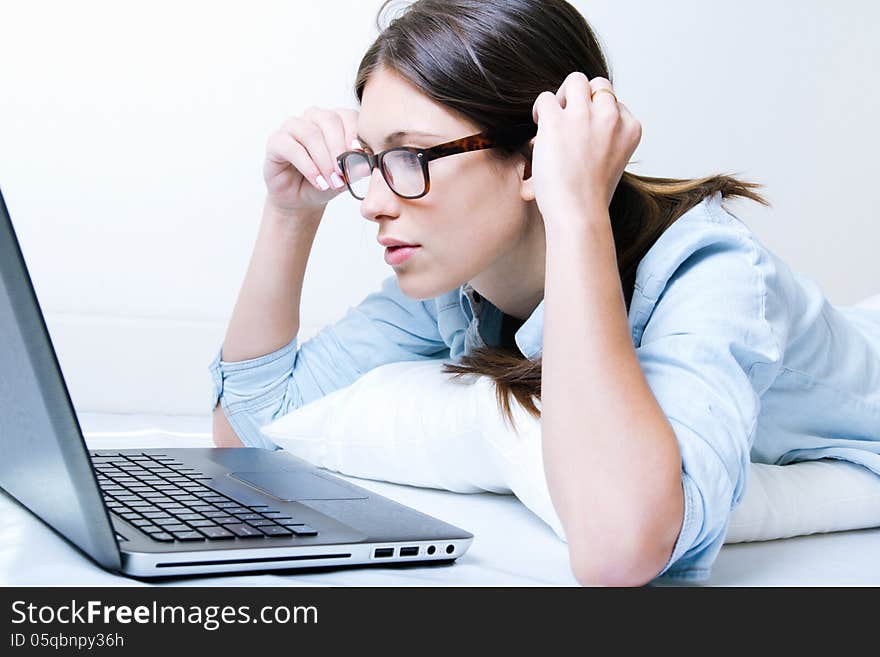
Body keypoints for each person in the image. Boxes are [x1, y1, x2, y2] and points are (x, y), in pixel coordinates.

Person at [208, 0, 880, 586]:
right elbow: (248, 427)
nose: (373, 203)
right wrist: (290, 215)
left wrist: (576, 210)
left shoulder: (712, 271)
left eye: (410, 157)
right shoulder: (460, 283)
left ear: (534, 155)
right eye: (372, 159)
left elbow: (620, 548)